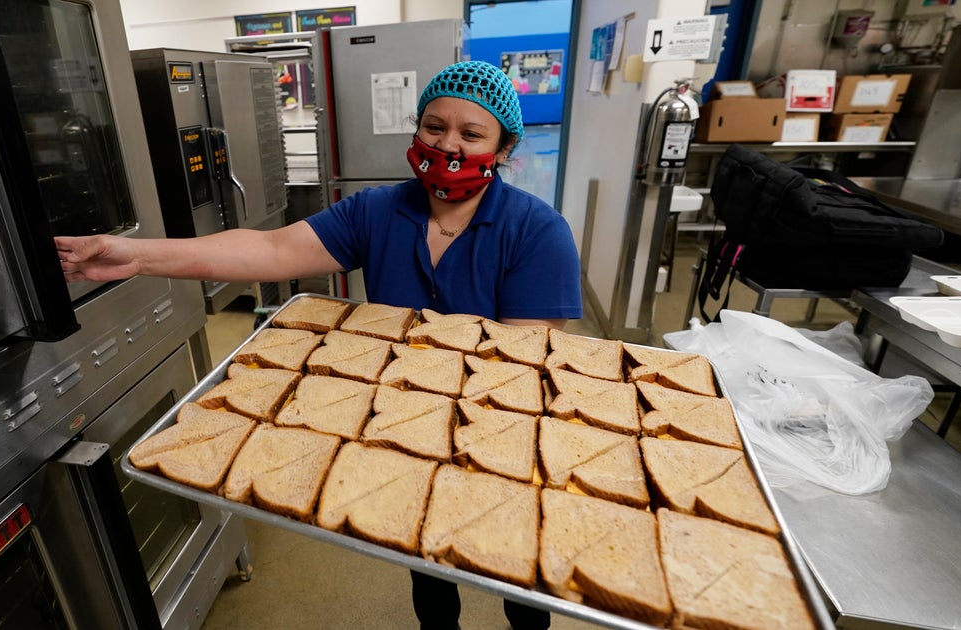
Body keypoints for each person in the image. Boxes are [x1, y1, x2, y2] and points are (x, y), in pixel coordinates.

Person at [57, 60, 581, 630]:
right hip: (404, 425)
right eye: (434, 126)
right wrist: (140, 256)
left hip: (498, 432)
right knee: (422, 553)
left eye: (471, 134)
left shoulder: (537, 231)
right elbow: (272, 251)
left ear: (504, 149)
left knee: (516, 561)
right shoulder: (378, 211)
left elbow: (518, 369)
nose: (447, 144)